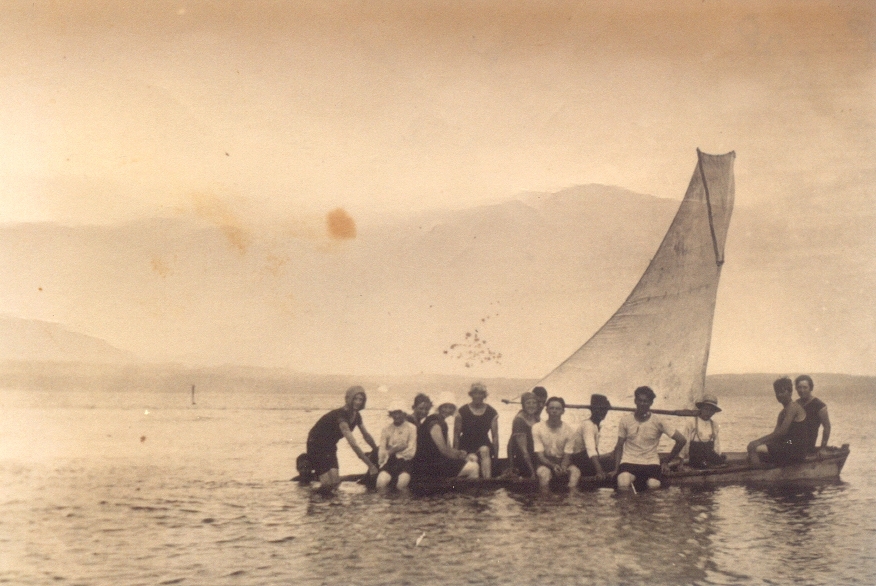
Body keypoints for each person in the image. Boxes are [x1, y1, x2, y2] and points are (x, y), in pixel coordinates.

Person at [305, 385, 379, 492]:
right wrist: (370, 465)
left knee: (335, 483)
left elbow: (366, 435)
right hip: (316, 445)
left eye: (360, 399)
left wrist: (376, 449)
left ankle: (328, 505)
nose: (358, 402)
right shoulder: (341, 415)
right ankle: (313, 501)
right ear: (348, 399)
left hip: (330, 445)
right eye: (355, 398)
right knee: (326, 484)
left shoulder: (357, 415)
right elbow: (353, 443)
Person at [612, 386, 687, 491]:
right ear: (635, 401)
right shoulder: (625, 420)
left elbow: (681, 440)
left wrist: (666, 461)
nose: (642, 404)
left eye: (646, 401)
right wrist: (616, 469)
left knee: (653, 485)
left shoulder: (658, 421)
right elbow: (619, 446)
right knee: (622, 482)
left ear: (651, 403)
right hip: (629, 462)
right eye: (640, 400)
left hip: (651, 463)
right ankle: (627, 507)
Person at [411, 392, 480, 480]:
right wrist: (461, 456)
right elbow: (444, 450)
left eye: (450, 407)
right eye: (445, 407)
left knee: (470, 460)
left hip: (433, 462)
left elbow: (447, 448)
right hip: (427, 466)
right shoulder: (434, 422)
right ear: (439, 408)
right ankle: (472, 491)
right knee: (474, 467)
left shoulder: (441, 422)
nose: (447, 410)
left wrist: (461, 453)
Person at [747, 377, 809, 466]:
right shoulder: (782, 413)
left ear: (790, 392)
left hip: (796, 447)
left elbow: (782, 432)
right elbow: (776, 433)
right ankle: (762, 470)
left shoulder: (793, 407)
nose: (779, 395)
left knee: (752, 448)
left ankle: (757, 474)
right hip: (788, 444)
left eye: (782, 392)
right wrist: (762, 443)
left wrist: (757, 442)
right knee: (752, 453)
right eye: (777, 392)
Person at [531, 396, 578, 491]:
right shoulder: (537, 428)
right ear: (546, 410)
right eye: (551, 408)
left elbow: (568, 454)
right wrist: (553, 466)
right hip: (544, 463)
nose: (554, 411)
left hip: (563, 462)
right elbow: (540, 455)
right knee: (544, 475)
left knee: (575, 473)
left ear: (563, 411)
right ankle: (545, 501)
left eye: (558, 408)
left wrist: (563, 467)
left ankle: (571, 500)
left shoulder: (570, 430)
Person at [453, 382, 499, 478]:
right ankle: (474, 483)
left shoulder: (491, 411)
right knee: (473, 459)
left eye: (481, 393)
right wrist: (455, 454)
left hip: (483, 443)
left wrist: (496, 456)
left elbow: (495, 436)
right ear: (471, 394)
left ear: (484, 395)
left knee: (484, 450)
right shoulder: (462, 411)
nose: (478, 396)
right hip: (466, 444)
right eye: (475, 393)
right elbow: (456, 435)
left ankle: (488, 481)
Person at [569, 394, 612, 484]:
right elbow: (591, 450)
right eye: (598, 409)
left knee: (613, 456)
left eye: (604, 410)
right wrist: (599, 471)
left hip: (585, 459)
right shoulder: (588, 425)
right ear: (592, 410)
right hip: (579, 461)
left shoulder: (595, 425)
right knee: (611, 463)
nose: (601, 412)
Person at [375, 399, 417, 490]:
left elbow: (411, 451)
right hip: (390, 462)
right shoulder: (386, 429)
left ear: (404, 413)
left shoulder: (412, 428)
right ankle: (383, 504)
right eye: (394, 413)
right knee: (380, 482)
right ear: (391, 414)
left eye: (399, 412)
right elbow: (382, 451)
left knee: (401, 484)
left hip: (406, 462)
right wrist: (397, 448)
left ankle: (403, 503)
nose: (397, 416)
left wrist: (391, 450)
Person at [678, 394, 726, 469]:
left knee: (722, 464)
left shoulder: (714, 425)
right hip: (695, 456)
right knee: (704, 465)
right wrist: (681, 462)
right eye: (706, 409)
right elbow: (685, 443)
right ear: (701, 409)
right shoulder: (692, 423)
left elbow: (717, 444)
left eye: (711, 410)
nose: (708, 412)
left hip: (709, 455)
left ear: (714, 412)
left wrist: (718, 457)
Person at [504, 391, 541, 478]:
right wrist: (532, 472)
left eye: (534, 403)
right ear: (523, 405)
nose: (531, 405)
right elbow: (524, 451)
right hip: (522, 459)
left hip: (534, 455)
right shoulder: (519, 421)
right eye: (528, 403)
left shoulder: (536, 418)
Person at [795, 374, 831, 454]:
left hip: (807, 446)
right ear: (796, 388)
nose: (802, 390)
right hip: (792, 443)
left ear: (811, 388)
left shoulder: (819, 405)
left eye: (805, 387)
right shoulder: (795, 404)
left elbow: (827, 427)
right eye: (799, 387)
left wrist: (823, 448)